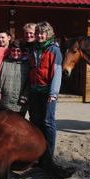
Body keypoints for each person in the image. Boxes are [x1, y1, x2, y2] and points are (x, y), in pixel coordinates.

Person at [28, 21, 62, 156]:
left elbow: (57, 72)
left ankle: (48, 154)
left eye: (42, 33)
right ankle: (38, 153)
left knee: (48, 122)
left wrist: (53, 93)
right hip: (34, 91)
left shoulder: (54, 50)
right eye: (37, 33)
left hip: (48, 92)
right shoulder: (33, 48)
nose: (39, 36)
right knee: (35, 121)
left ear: (48, 34)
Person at [0, 39, 30, 116]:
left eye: (18, 51)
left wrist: (25, 97)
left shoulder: (26, 64)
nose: (15, 53)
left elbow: (29, 82)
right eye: (13, 50)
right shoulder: (3, 62)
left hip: (20, 103)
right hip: (4, 101)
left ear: (22, 52)